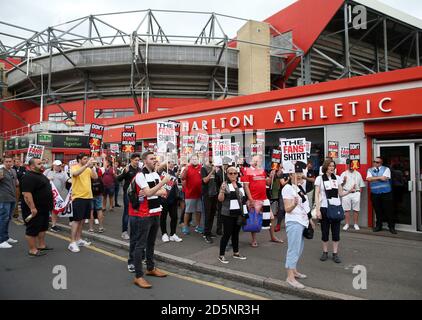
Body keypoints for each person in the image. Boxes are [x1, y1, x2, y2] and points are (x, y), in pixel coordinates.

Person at [127, 152, 171, 289]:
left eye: (155, 158)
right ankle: (138, 276)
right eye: (152, 159)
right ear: (145, 161)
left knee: (151, 243)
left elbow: (162, 192)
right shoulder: (140, 175)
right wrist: (161, 184)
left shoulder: (155, 174)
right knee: (140, 245)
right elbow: (149, 192)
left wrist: (153, 191)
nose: (155, 160)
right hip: (144, 214)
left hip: (156, 211)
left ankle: (150, 268)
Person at [283, 172, 314, 289]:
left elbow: (305, 206)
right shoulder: (287, 188)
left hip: (302, 222)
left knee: (299, 248)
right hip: (294, 222)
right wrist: (294, 204)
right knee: (293, 249)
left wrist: (310, 220)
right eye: (296, 173)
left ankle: (294, 270)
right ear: (291, 176)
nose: (299, 175)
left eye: (301, 173)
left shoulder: (299, 188)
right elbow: (287, 209)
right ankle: (290, 277)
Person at [243, 156, 281, 247]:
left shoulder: (262, 170)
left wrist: (271, 176)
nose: (257, 162)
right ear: (251, 161)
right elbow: (246, 186)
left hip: (264, 199)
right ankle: (254, 240)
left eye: (259, 160)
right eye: (255, 160)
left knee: (271, 218)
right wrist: (250, 199)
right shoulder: (247, 170)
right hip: (254, 200)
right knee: (254, 219)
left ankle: (272, 237)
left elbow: (267, 183)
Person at [20, 158, 54, 256]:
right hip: (35, 209)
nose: (42, 165)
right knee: (32, 229)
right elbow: (27, 194)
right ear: (32, 166)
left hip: (44, 208)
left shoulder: (40, 174)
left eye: (42, 163)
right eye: (39, 164)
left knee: (42, 227)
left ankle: (41, 245)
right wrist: (33, 208)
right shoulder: (28, 177)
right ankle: (32, 250)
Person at [315, 159, 345, 263]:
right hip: (324, 207)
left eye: (333, 166)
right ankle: (325, 252)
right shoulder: (319, 179)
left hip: (336, 207)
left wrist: (350, 191)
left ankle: (335, 253)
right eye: (330, 166)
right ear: (326, 167)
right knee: (325, 231)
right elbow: (317, 195)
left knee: (336, 232)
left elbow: (340, 194)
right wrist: (318, 210)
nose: (332, 168)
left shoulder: (337, 178)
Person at [217, 166, 248, 263]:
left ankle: (236, 253)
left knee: (235, 234)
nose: (233, 175)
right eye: (230, 173)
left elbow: (242, 199)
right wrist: (222, 191)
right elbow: (220, 199)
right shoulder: (225, 185)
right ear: (227, 174)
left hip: (238, 213)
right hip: (227, 214)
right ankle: (221, 255)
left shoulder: (239, 185)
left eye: (235, 173)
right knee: (227, 234)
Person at [68, 153, 97, 253]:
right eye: (85, 159)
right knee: (76, 220)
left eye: (87, 159)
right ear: (79, 160)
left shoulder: (88, 168)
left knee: (82, 220)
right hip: (78, 197)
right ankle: (72, 242)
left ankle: (78, 239)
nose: (86, 160)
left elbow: (95, 177)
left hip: (88, 197)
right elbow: (75, 174)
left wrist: (93, 167)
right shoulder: (74, 167)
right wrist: (86, 165)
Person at [367, 157, 396, 234]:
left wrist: (373, 178)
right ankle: (379, 226)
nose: (375, 163)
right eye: (374, 162)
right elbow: (368, 179)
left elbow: (385, 179)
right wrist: (380, 177)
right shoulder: (370, 170)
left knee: (389, 210)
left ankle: (391, 227)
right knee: (378, 211)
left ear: (381, 163)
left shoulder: (386, 169)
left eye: (377, 162)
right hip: (375, 194)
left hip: (386, 193)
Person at [118, 153, 142, 240]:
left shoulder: (140, 170)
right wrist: (125, 173)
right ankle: (124, 232)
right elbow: (118, 179)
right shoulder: (127, 169)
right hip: (128, 195)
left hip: (138, 195)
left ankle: (135, 231)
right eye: (136, 160)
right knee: (127, 212)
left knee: (137, 212)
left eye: (138, 160)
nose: (137, 162)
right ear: (131, 160)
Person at [159, 161, 182, 243]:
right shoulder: (160, 172)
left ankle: (173, 234)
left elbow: (174, 184)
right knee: (163, 217)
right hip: (163, 198)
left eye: (172, 162)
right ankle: (164, 233)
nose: (171, 163)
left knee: (174, 217)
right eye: (169, 162)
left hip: (173, 198)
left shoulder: (172, 172)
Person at [44, 160, 69, 232]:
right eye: (57, 165)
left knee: (55, 210)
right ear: (53, 165)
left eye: (60, 165)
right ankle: (44, 223)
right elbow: (41, 179)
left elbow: (68, 179)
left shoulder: (63, 173)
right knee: (46, 208)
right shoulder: (48, 171)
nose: (58, 167)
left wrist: (73, 181)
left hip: (57, 195)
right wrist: (47, 179)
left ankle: (53, 225)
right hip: (47, 193)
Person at [181, 155, 203, 235]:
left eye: (196, 158)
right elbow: (182, 178)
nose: (194, 160)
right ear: (190, 160)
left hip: (199, 194)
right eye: (193, 159)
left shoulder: (201, 167)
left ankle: (198, 226)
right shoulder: (187, 168)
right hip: (190, 194)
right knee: (188, 211)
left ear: (198, 159)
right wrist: (185, 170)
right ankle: (185, 226)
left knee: (198, 211)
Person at [0, 156, 19, 249]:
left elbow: (16, 182)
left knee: (8, 219)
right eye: (6, 161)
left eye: (10, 161)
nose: (8, 163)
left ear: (12, 162)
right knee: (3, 218)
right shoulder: (1, 170)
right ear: (3, 162)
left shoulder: (13, 171)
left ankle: (6, 237)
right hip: (4, 198)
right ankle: (1, 240)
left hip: (12, 197)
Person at [340, 163, 366, 231]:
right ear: (347, 165)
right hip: (346, 192)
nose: (350, 166)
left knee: (356, 209)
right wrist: (344, 181)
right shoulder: (343, 173)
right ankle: (347, 224)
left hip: (356, 193)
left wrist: (359, 193)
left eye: (352, 165)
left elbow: (361, 185)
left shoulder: (358, 173)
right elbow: (340, 185)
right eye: (349, 165)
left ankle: (356, 224)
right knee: (346, 209)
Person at [201, 158, 219, 244]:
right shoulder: (203, 168)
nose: (211, 162)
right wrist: (212, 171)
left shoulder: (215, 169)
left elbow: (216, 180)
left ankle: (209, 231)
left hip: (214, 194)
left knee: (212, 214)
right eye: (210, 161)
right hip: (207, 194)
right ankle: (206, 233)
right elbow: (205, 180)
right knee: (207, 214)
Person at [89, 162, 105, 233]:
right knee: (99, 210)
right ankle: (101, 227)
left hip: (90, 195)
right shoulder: (99, 176)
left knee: (91, 211)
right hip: (98, 194)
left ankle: (91, 228)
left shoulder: (88, 177)